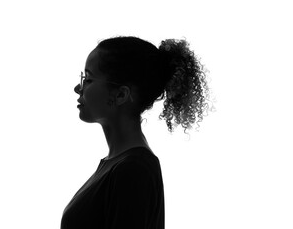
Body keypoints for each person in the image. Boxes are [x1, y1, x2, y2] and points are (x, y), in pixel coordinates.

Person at [61, 36, 214, 229]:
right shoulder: (118, 165)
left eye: (88, 79)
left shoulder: (133, 169)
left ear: (121, 95)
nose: (78, 88)